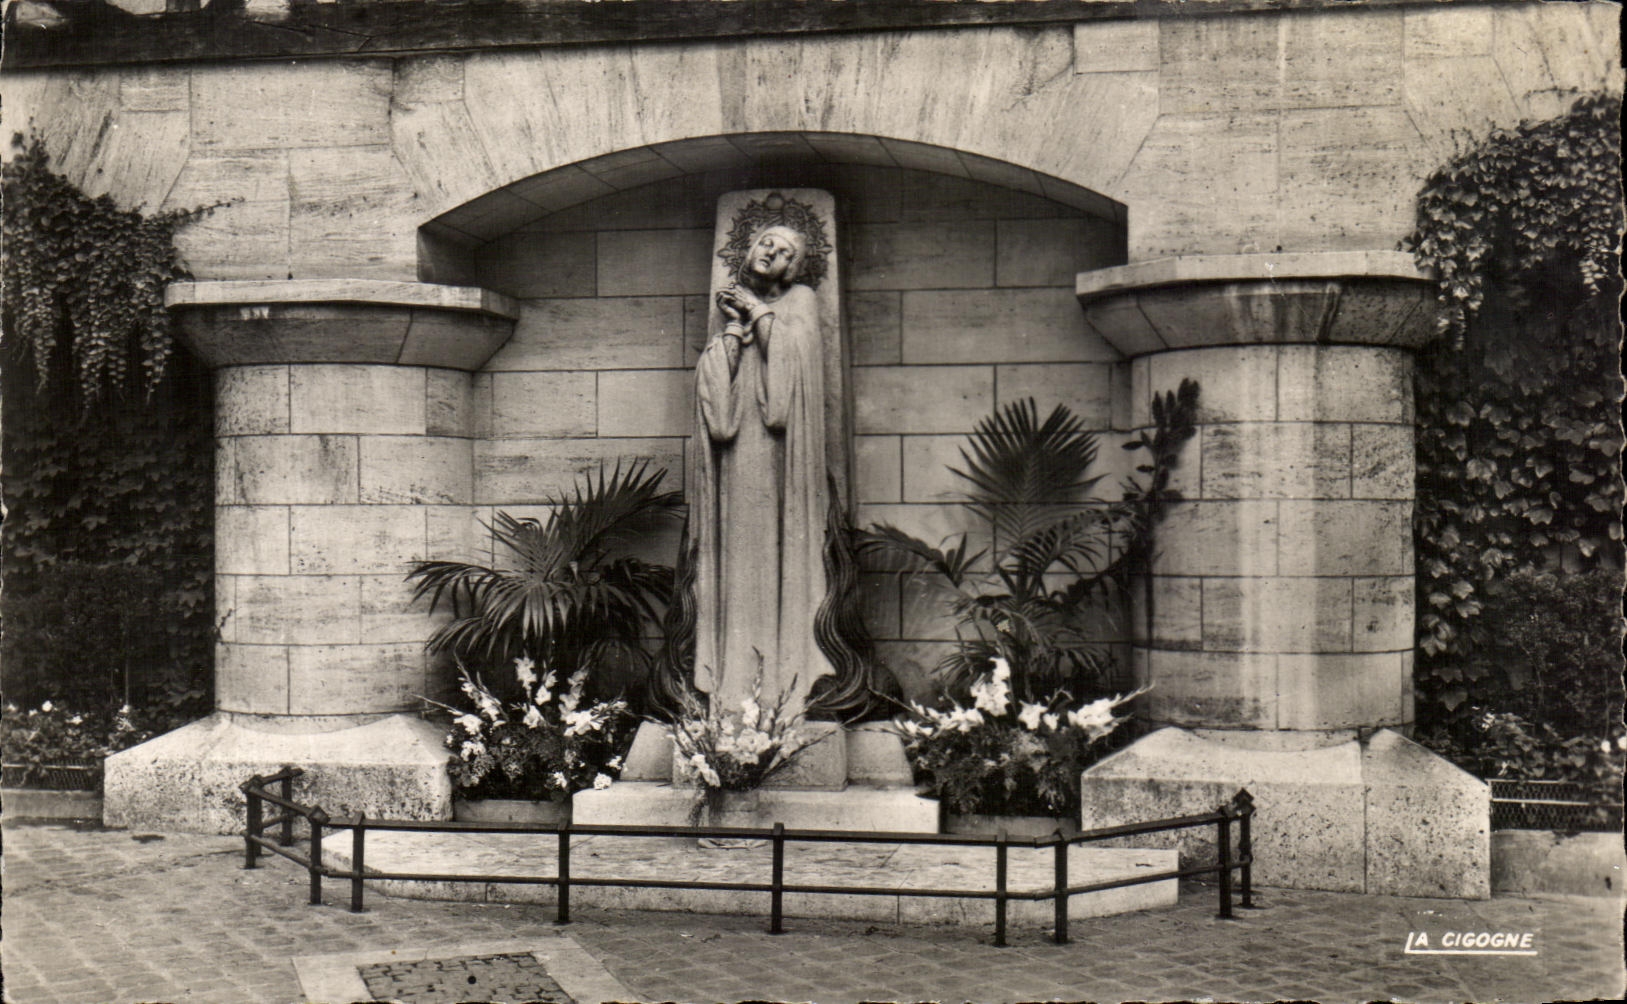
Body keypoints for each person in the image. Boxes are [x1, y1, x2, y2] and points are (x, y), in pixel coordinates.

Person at [691, 210, 839, 715]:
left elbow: (795, 369)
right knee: (738, 556)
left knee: (781, 551)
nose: (771, 253)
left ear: (794, 270)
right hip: (737, 457)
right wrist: (733, 331)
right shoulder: (734, 308)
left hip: (782, 458)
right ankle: (733, 684)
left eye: (785, 253)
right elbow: (715, 395)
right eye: (766, 243)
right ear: (749, 247)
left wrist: (756, 311)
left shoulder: (801, 302)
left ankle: (784, 679)